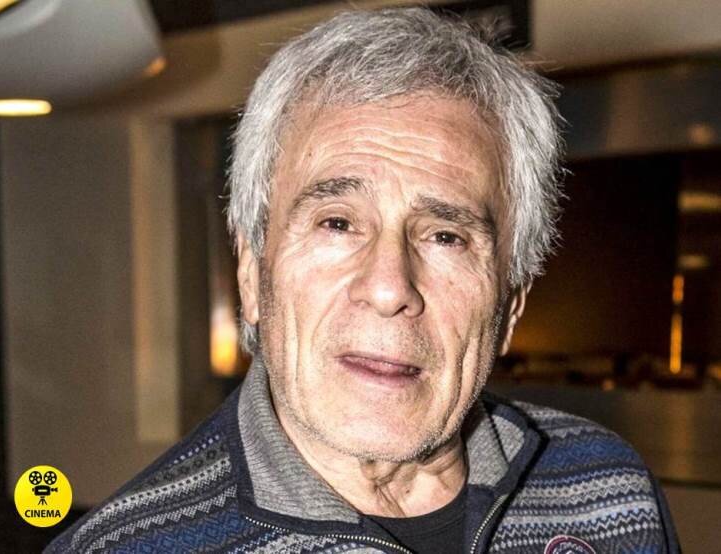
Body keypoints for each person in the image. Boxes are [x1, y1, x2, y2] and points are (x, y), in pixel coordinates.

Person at [47, 8, 679, 553]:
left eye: (446, 235)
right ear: (251, 270)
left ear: (511, 301)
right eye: (338, 222)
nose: (388, 287)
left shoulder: (610, 492)